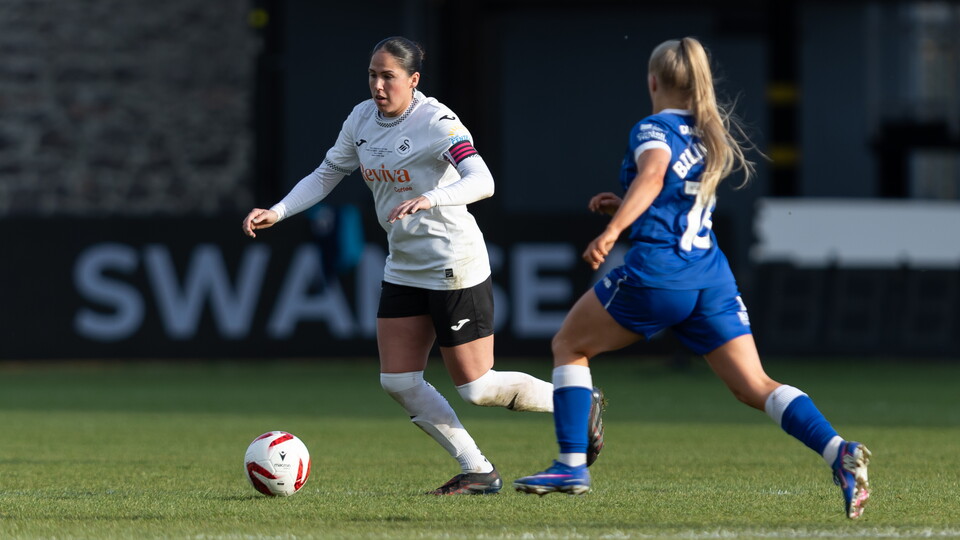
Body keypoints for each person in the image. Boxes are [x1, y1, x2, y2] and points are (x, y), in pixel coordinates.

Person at [512, 37, 871, 519]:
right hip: (710, 277)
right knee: (753, 385)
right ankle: (838, 452)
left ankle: (572, 464)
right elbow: (672, 201)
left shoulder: (653, 128)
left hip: (660, 274)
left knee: (569, 346)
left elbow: (655, 176)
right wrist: (625, 208)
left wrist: (614, 229)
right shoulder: (708, 132)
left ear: (653, 80)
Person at [242, 36, 603, 495]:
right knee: (398, 380)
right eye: (372, 74)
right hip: (405, 266)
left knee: (476, 388)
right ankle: (478, 470)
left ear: (413, 80)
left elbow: (483, 180)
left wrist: (430, 198)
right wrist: (279, 210)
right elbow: (328, 172)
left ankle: (574, 401)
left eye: (388, 76)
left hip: (453, 262)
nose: (377, 84)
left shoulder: (438, 121)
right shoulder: (361, 119)